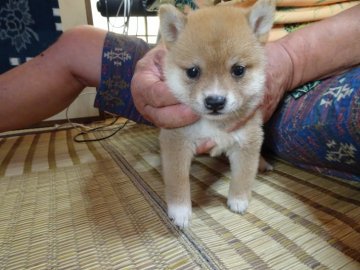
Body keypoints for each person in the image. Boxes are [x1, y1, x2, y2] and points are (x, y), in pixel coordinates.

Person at [0, 3, 359, 179]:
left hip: (318, 66)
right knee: (78, 44)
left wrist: (288, 61)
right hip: (203, 63)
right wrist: (165, 57)